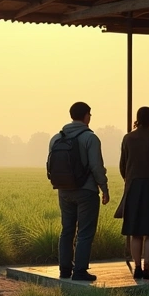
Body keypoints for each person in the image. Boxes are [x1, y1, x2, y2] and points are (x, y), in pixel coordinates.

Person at [50, 101, 109, 281]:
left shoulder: (56, 138)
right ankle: (80, 271)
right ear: (86, 116)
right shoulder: (90, 138)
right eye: (89, 114)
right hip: (86, 191)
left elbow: (50, 164)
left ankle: (64, 270)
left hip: (64, 190)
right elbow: (96, 167)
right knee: (84, 232)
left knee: (66, 230)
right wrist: (104, 188)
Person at [119, 106, 149, 280]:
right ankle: (147, 267)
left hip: (133, 186)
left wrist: (129, 179)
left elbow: (123, 165)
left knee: (135, 231)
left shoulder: (128, 138)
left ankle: (136, 267)